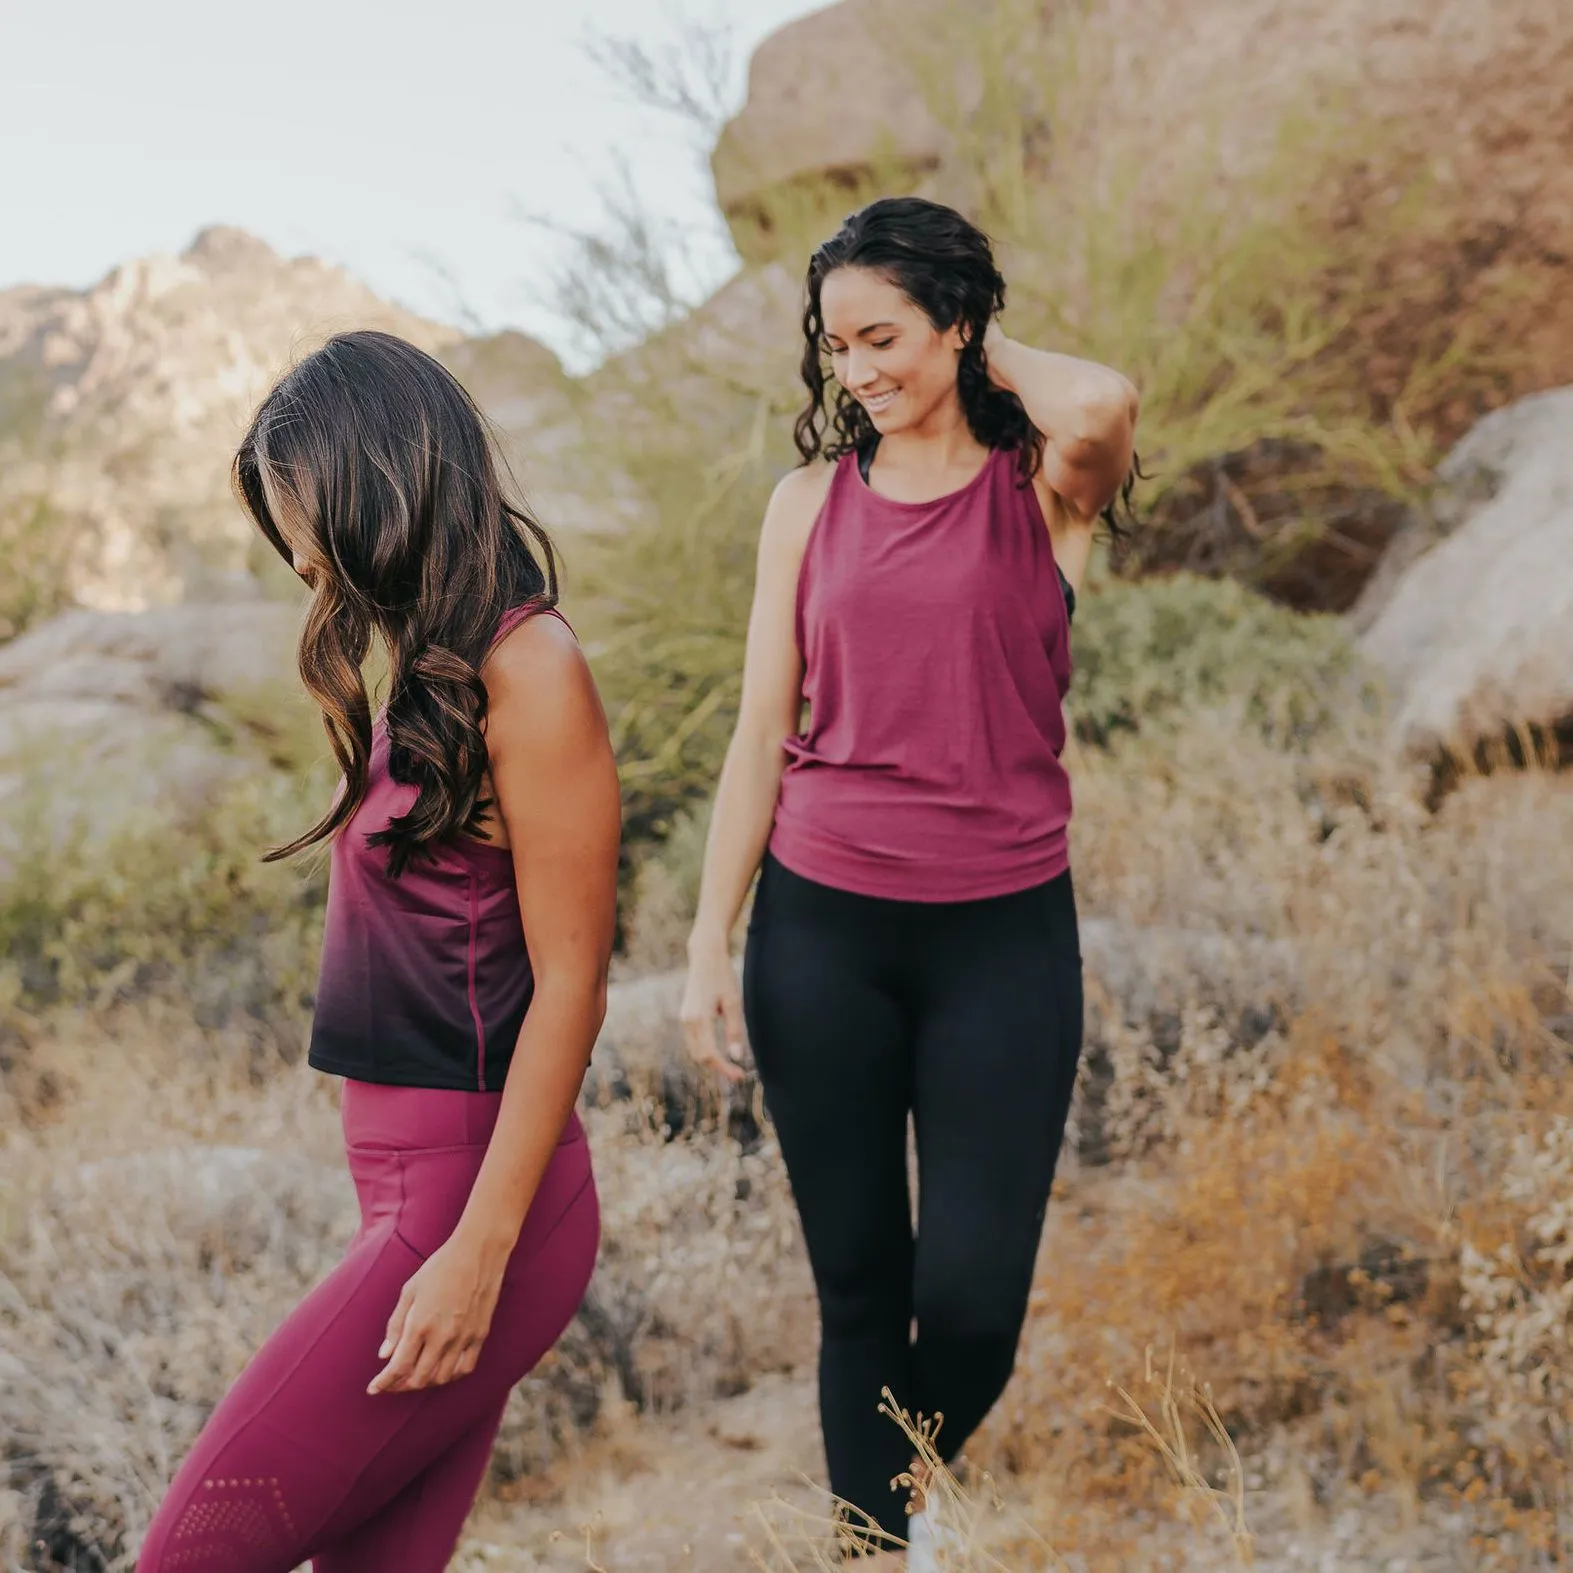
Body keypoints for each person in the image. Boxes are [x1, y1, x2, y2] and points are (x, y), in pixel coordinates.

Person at [680, 197, 1139, 1564]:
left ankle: (899, 1492)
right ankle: (873, 1547)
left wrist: (975, 350)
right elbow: (760, 728)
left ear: (958, 325)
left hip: (1001, 936)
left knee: (979, 1299)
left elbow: (1104, 399)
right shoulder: (807, 504)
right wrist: (710, 936)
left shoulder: (1045, 492)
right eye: (834, 347)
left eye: (880, 336)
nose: (854, 370)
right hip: (821, 934)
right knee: (861, 1289)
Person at [137, 331, 621, 1573]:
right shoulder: (434, 671)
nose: (300, 555)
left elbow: (574, 979)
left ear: (378, 484)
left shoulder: (529, 663)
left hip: (471, 1210)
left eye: (305, 516)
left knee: (186, 1560)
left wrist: (474, 1253)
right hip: (409, 1199)